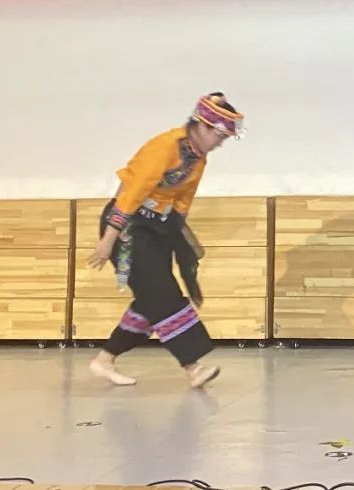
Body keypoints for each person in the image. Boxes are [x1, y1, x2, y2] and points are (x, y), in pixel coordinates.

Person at [86, 92, 244, 389]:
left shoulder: (198, 159)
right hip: (128, 226)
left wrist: (176, 237)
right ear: (202, 125)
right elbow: (131, 193)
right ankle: (193, 367)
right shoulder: (165, 147)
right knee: (163, 294)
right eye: (219, 136)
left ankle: (105, 360)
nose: (220, 143)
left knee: (152, 299)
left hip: (157, 226)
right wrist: (108, 238)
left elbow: (183, 199)